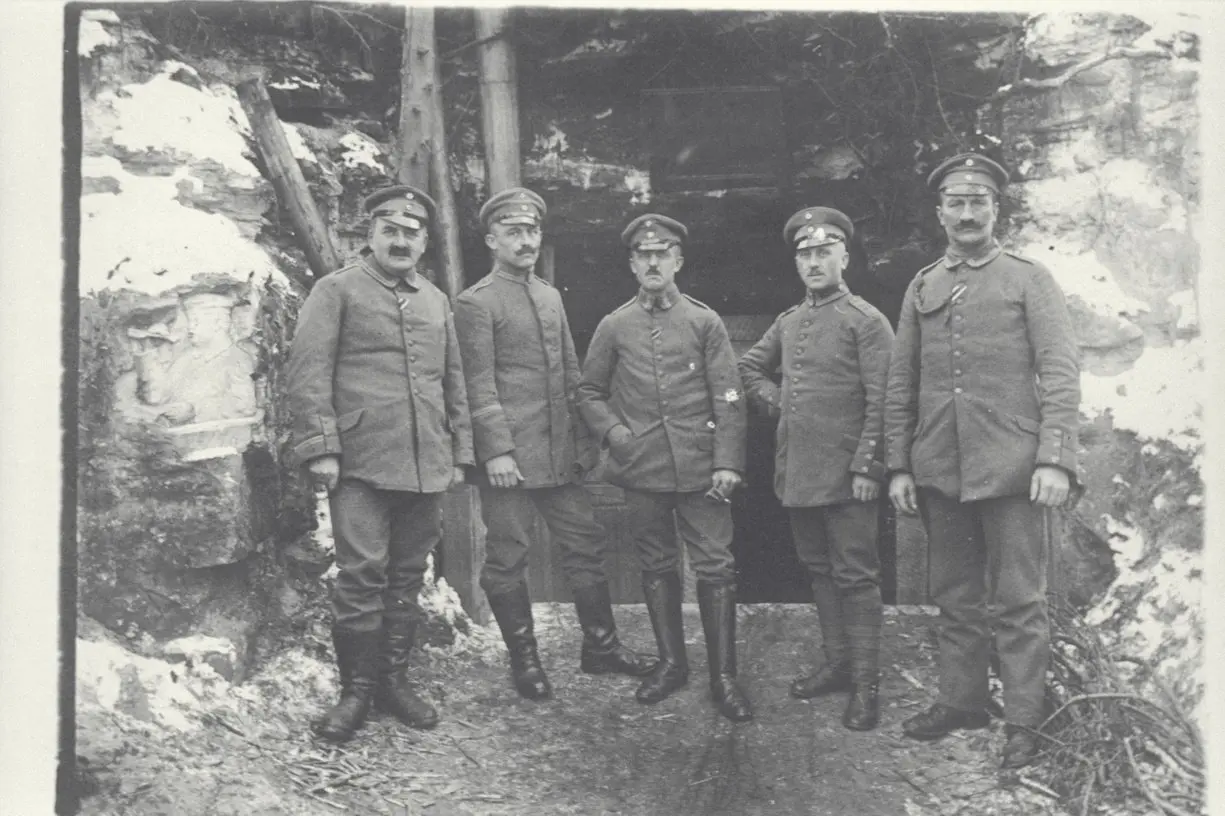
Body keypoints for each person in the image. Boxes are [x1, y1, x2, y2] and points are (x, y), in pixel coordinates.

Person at [884, 154, 1082, 768]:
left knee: (1020, 600)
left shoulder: (1029, 279)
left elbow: (1060, 371)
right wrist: (899, 464)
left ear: (996, 210)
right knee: (955, 596)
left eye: (978, 202)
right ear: (940, 213)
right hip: (941, 466)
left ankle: (1023, 719)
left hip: (1014, 467)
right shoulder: (923, 286)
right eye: (956, 203)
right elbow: (902, 381)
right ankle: (962, 701)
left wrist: (1054, 460)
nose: (967, 214)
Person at [285, 184, 473, 743]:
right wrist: (322, 448)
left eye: (411, 234)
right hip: (361, 462)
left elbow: (453, 381)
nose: (400, 242)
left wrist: (459, 452)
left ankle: (392, 683)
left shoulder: (435, 301)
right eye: (389, 231)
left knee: (407, 576)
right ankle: (357, 693)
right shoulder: (336, 290)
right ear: (370, 235)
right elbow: (308, 372)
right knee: (362, 575)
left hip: (425, 462)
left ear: (423, 243)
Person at [454, 187, 657, 701]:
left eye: (532, 231)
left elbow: (570, 374)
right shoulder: (476, 303)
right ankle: (525, 661)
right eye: (514, 232)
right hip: (509, 462)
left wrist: (582, 443)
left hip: (558, 455)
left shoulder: (549, 297)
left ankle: (601, 648)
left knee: (586, 544)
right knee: (508, 555)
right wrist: (496, 451)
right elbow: (477, 384)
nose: (526, 241)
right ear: (492, 240)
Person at [577, 214, 753, 722]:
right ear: (632, 264)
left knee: (715, 566)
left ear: (678, 261)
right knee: (656, 564)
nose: (653, 263)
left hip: (701, 469)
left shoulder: (704, 321)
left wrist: (728, 462)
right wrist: (616, 435)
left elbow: (729, 395)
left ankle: (723, 678)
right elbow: (588, 391)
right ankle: (672, 665)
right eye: (644, 255)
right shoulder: (615, 325)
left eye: (662, 254)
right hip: (642, 468)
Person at [739, 207, 894, 731]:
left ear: (844, 258)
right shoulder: (789, 321)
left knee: (856, 574)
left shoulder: (866, 321)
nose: (813, 262)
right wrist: (777, 398)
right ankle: (838, 664)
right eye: (805, 254)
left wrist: (869, 466)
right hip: (800, 471)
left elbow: (885, 400)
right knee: (819, 569)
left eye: (824, 252)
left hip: (849, 474)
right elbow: (749, 367)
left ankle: (867, 685)